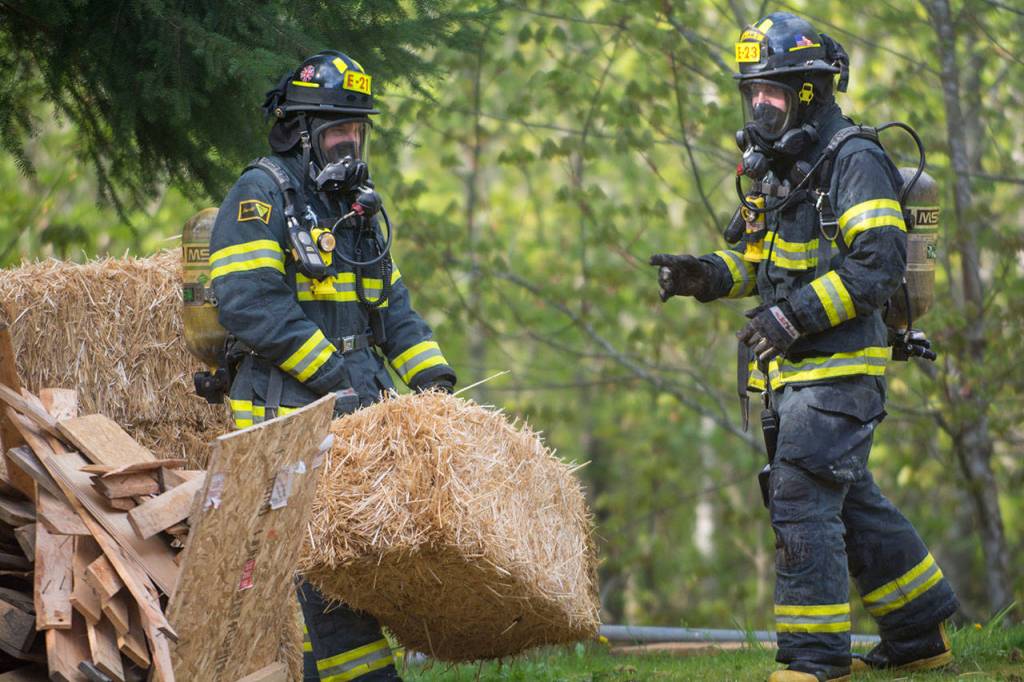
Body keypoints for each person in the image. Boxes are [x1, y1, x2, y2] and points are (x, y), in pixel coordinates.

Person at [649, 12, 957, 682]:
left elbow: (876, 266)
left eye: (774, 93)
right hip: (804, 376)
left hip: (844, 369)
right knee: (848, 497)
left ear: (811, 92)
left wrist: (789, 321)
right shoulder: (784, 172)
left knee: (800, 494)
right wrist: (704, 275)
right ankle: (917, 632)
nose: (760, 107)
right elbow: (763, 267)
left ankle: (814, 660)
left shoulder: (855, 160)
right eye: (753, 93)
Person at [209, 50, 457, 682]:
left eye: (357, 131)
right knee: (309, 577)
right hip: (281, 420)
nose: (350, 144)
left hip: (349, 419)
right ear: (300, 130)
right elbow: (250, 304)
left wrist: (434, 384)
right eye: (337, 131)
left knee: (344, 574)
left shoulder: (356, 209)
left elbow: (391, 308)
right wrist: (336, 379)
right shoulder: (261, 195)